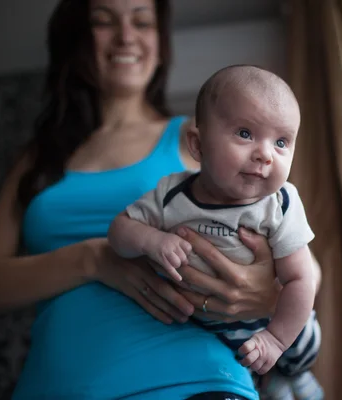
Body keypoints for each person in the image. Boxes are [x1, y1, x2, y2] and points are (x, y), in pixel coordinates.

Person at [0, 0, 322, 399]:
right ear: (76, 36)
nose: (126, 35)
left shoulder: (214, 136)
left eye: (142, 21)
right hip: (56, 386)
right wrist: (93, 258)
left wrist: (263, 296)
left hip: (196, 383)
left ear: (161, 43)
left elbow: (303, 266)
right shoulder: (38, 159)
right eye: (103, 21)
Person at [109, 65, 323, 400]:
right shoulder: (171, 196)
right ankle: (272, 384)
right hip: (209, 332)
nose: (265, 154)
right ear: (198, 145)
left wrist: (275, 341)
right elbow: (119, 231)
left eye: (281, 142)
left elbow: (301, 279)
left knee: (300, 347)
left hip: (276, 324)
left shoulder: (279, 204)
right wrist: (152, 240)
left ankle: (296, 374)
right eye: (245, 134)